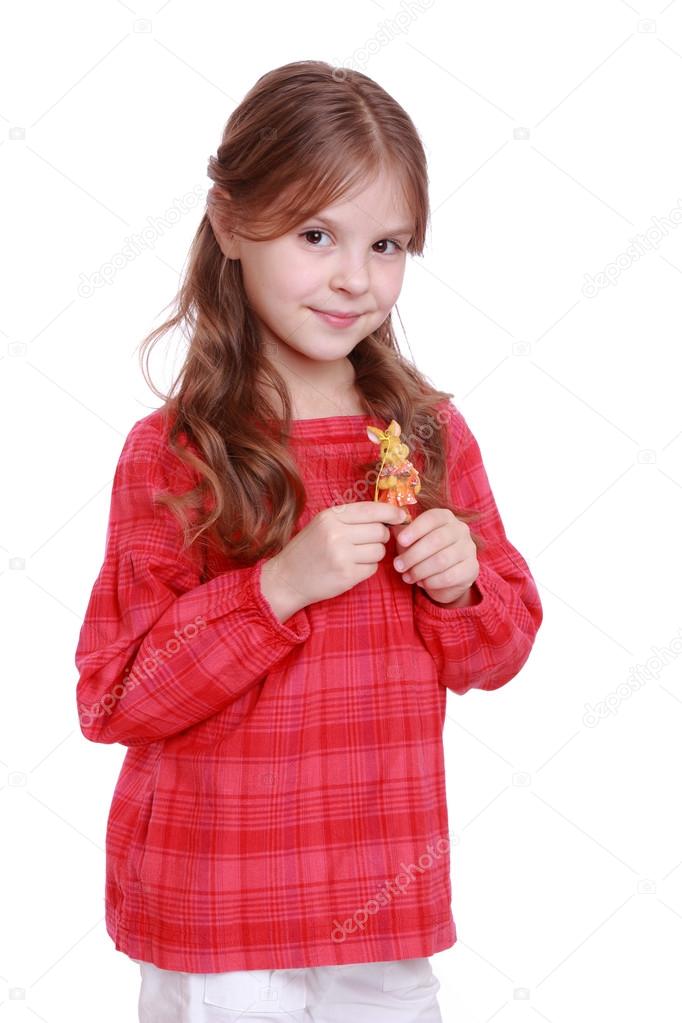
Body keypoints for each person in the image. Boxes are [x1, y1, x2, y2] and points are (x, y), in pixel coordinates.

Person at [74, 59, 543, 1023]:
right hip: (220, 910)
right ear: (232, 222)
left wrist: (463, 587)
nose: (354, 278)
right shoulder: (173, 454)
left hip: (384, 905)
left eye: (388, 244)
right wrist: (275, 587)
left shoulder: (426, 436)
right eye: (316, 234)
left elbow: (500, 649)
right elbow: (114, 693)